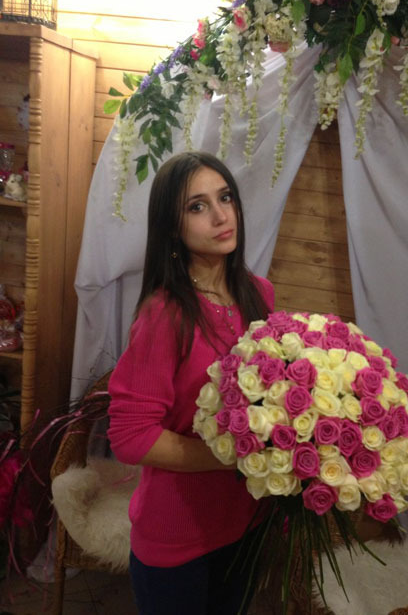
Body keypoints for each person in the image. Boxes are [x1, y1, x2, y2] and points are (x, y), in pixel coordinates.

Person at [107, 151, 274, 615]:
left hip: (244, 521)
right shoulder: (166, 314)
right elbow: (130, 436)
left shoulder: (258, 293)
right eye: (197, 206)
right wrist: (235, 457)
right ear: (172, 228)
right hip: (178, 534)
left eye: (225, 198)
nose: (221, 216)